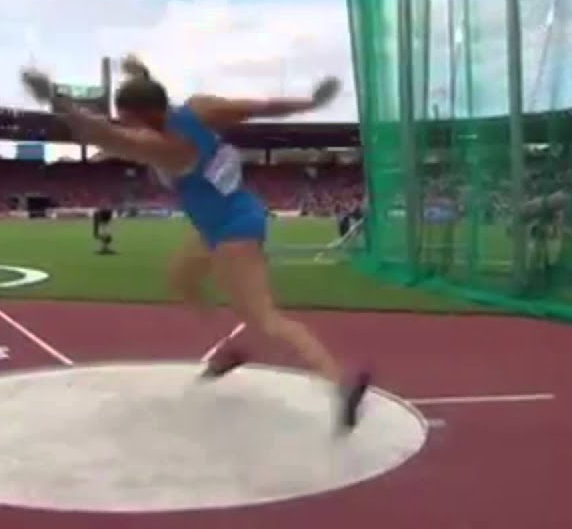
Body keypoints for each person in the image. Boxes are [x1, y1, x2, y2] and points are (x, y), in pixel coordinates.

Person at [21, 56, 370, 432]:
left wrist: (56, 100)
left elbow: (102, 135)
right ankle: (228, 351)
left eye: (129, 117)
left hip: (234, 229)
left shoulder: (164, 147)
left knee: (266, 318)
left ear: (147, 117)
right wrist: (310, 104)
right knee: (182, 278)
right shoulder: (199, 108)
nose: (125, 124)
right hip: (217, 222)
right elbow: (259, 108)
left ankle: (340, 382)